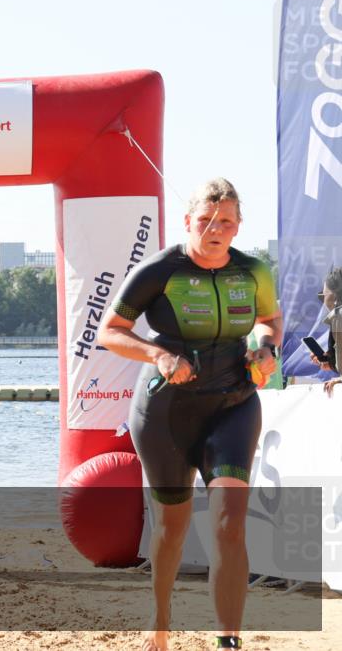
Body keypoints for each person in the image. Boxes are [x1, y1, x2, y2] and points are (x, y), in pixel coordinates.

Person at [98, 178, 282, 651]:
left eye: (225, 222)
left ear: (238, 227)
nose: (214, 230)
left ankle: (228, 639)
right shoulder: (160, 269)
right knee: (173, 527)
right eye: (205, 221)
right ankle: (160, 620)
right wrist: (157, 357)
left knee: (229, 521)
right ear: (188, 221)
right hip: (166, 414)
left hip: (234, 404)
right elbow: (110, 331)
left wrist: (267, 348)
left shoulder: (254, 270)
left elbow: (270, 320)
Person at [313, 267, 342, 398]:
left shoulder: (338, 316)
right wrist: (330, 361)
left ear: (335, 295)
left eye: (323, 294)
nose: (322, 298)